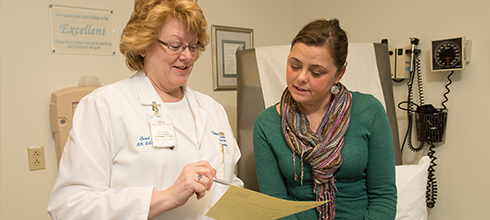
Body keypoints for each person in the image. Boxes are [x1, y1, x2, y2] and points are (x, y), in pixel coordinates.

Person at [47, 0, 243, 219]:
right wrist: (167, 197)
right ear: (142, 44)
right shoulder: (104, 106)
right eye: (175, 45)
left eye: (193, 46)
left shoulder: (212, 109)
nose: (187, 56)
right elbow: (69, 207)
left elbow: (229, 184)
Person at [253, 18, 397, 219]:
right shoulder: (266, 124)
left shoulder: (370, 111)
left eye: (316, 72)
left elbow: (383, 195)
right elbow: (276, 204)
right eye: (294, 65)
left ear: (339, 74)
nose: (301, 78)